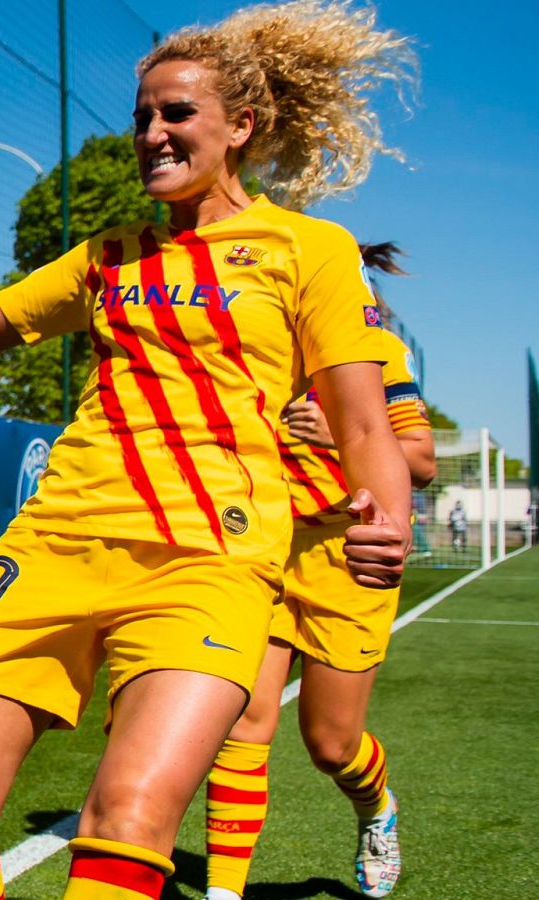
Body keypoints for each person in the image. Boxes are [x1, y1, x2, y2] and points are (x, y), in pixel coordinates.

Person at [0, 2, 414, 896]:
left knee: (128, 819)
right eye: (142, 117)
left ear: (242, 126)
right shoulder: (107, 257)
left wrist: (388, 516)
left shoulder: (308, 250)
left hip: (211, 561)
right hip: (54, 548)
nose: (152, 134)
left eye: (176, 115)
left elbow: (362, 423)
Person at [203, 242, 435, 900]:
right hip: (265, 550)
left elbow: (420, 461)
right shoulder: (252, 341)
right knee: (242, 724)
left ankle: (375, 808)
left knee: (331, 745)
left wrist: (340, 433)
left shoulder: (377, 354)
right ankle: (224, 892)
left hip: (350, 555)